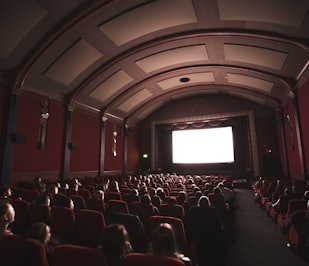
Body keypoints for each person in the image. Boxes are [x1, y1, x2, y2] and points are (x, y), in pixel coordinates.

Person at [184, 196, 226, 266]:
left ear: (199, 203)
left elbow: (185, 221)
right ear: (208, 203)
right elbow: (218, 225)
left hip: (195, 239)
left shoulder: (192, 210)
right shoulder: (213, 210)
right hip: (210, 239)